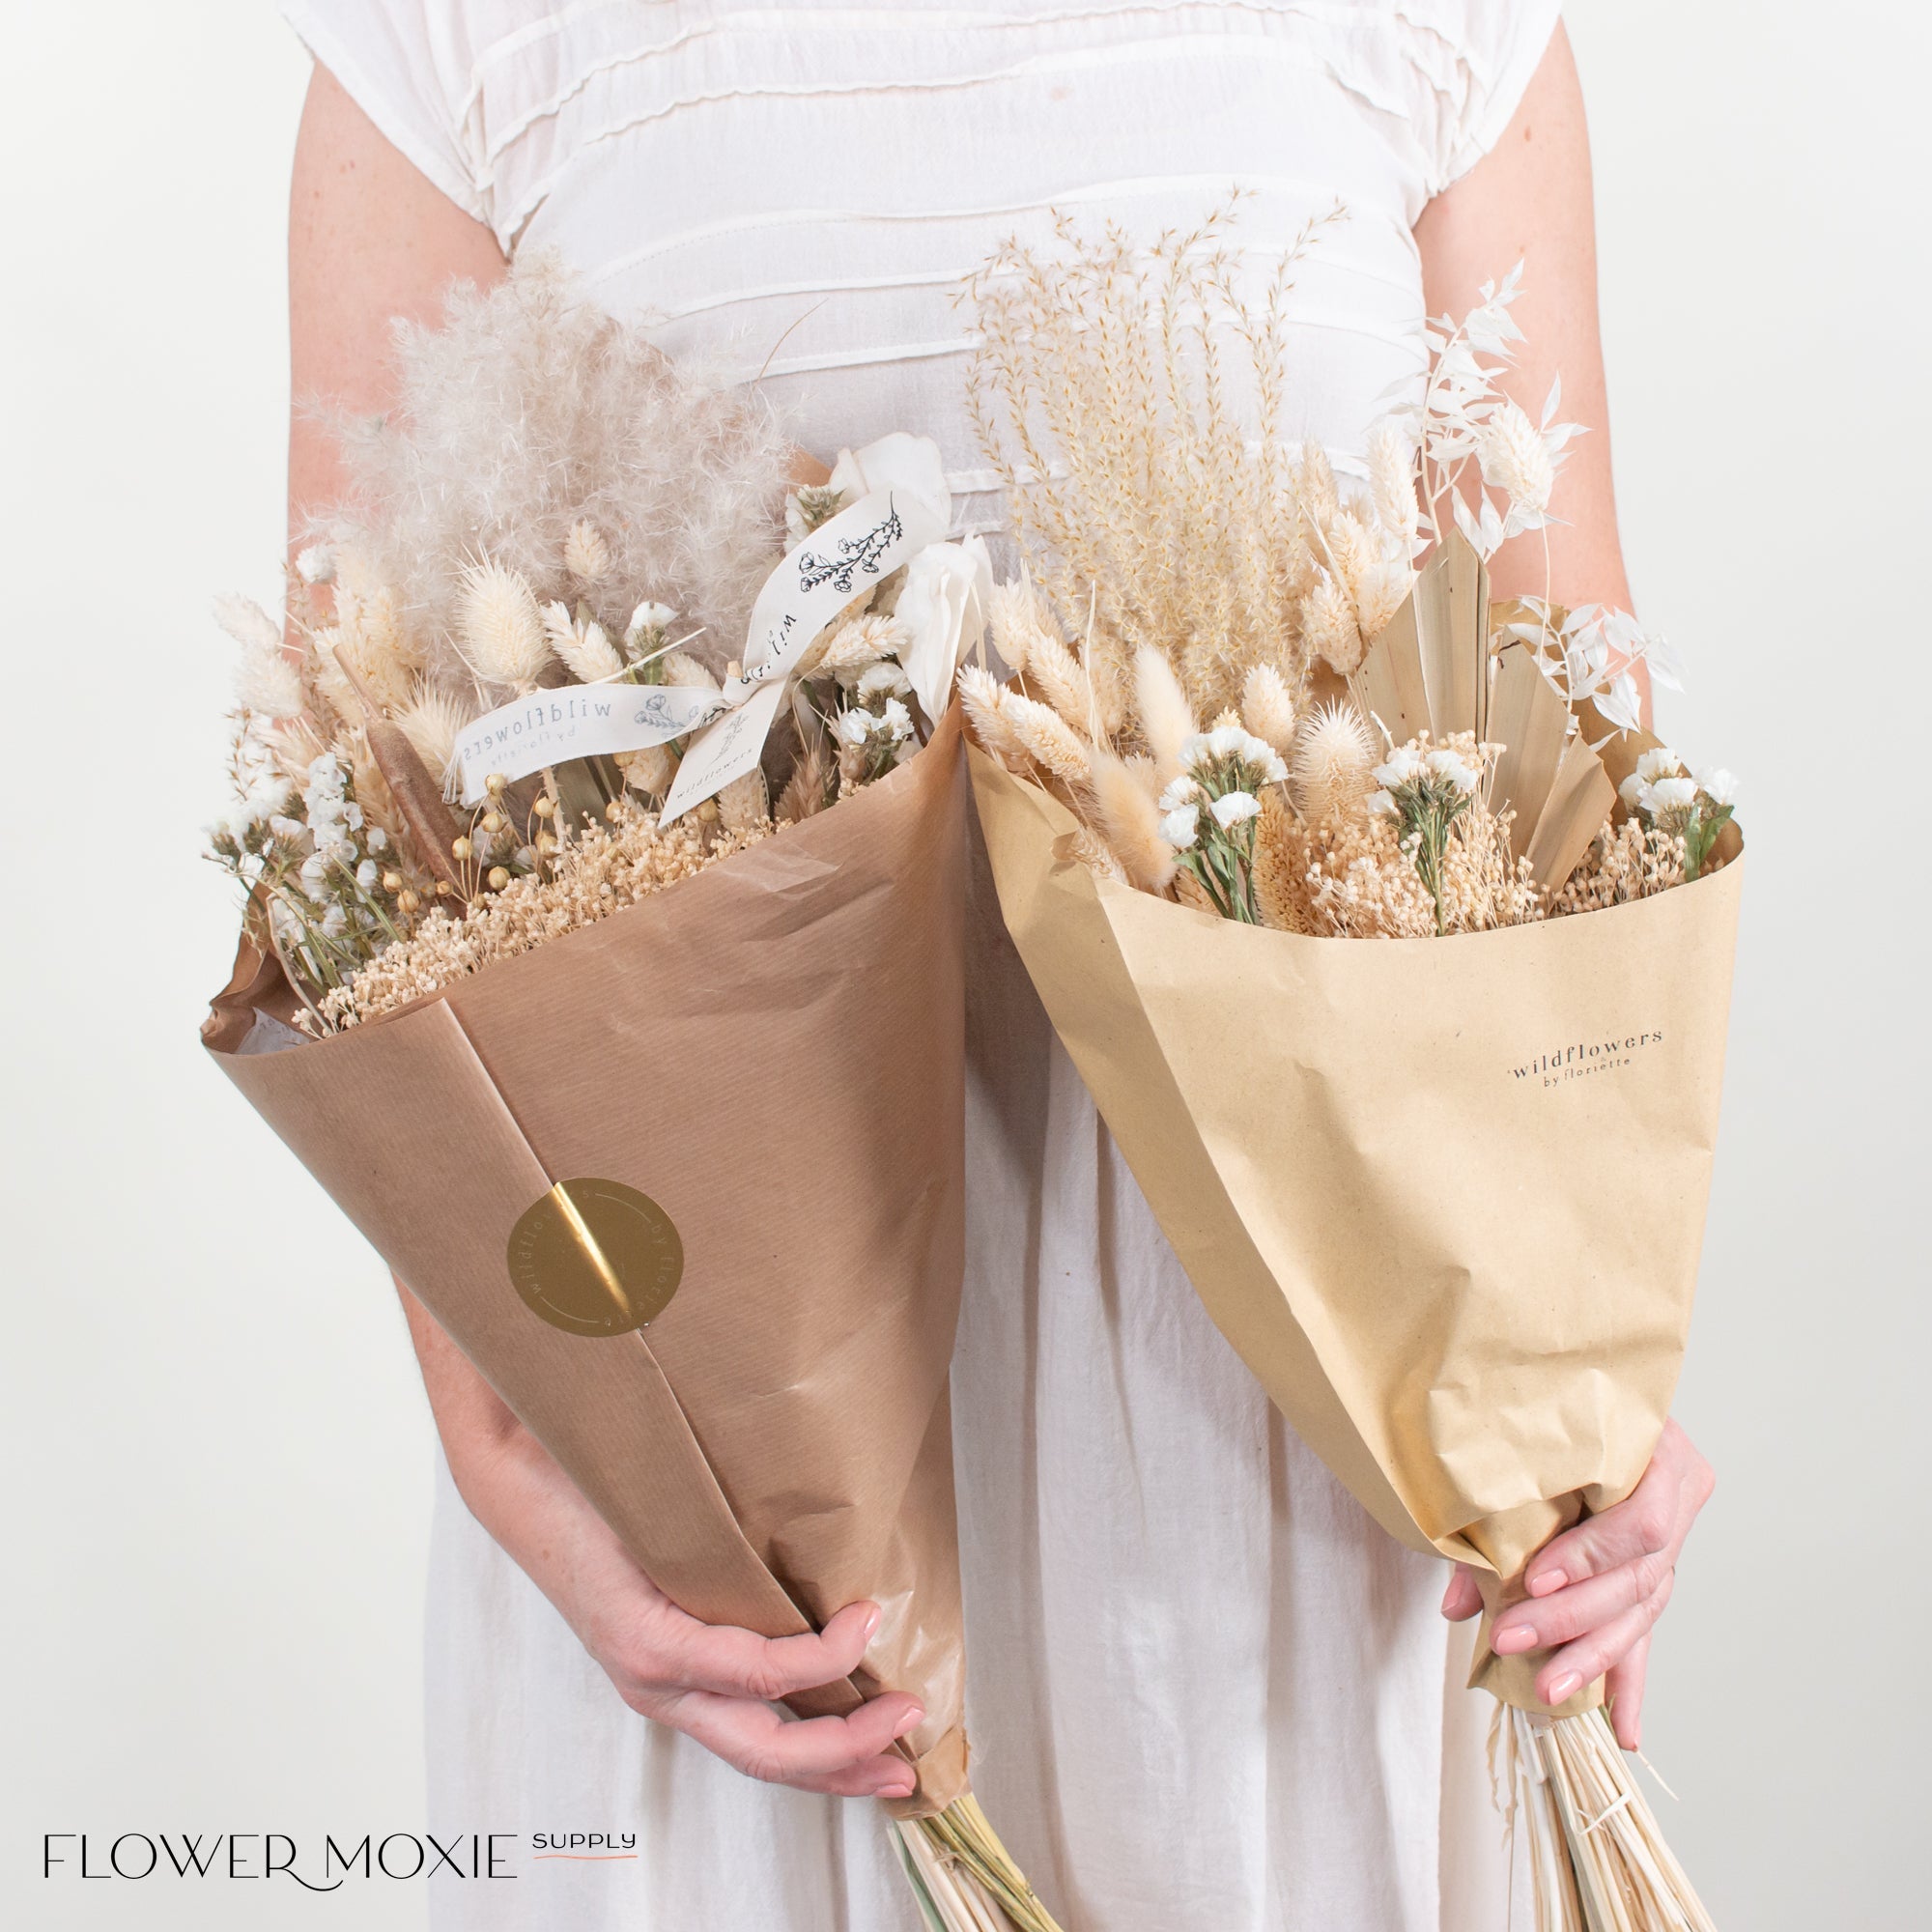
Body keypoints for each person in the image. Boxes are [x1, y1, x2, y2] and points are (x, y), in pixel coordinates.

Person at [282, 4, 1716, 1925]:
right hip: (746, 1471)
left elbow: (1565, 718)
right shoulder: (448, 35)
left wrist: (1586, 1365)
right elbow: (374, 793)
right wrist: (512, 1452)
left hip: (1306, 1394)